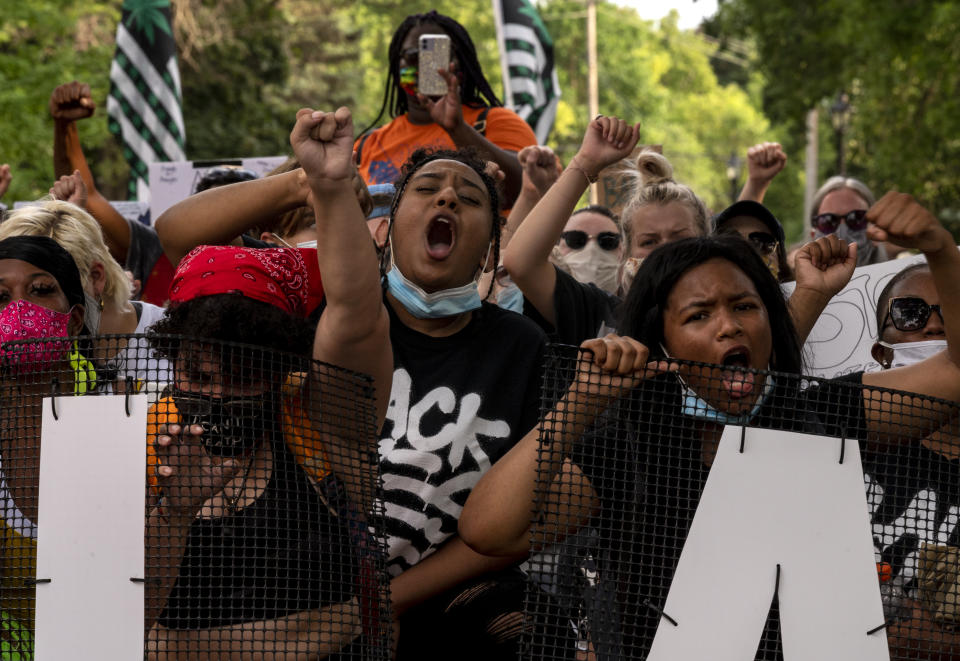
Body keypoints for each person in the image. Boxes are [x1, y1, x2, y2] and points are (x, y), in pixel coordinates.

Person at [460, 191, 960, 658]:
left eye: (745, 306)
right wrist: (580, 402)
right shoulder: (626, 450)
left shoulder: (828, 416)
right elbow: (488, 531)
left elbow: (954, 372)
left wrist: (939, 249)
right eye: (699, 315)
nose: (730, 325)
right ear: (663, 342)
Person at [144, 107, 393, 658]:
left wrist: (327, 187)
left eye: (245, 374)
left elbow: (355, 313)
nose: (217, 396)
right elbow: (117, 610)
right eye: (199, 374)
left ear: (284, 364)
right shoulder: (138, 437)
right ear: (172, 358)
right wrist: (174, 512)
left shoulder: (322, 425)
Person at [367, 143, 548, 660]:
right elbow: (181, 234)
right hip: (316, 583)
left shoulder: (522, 345)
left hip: (445, 593)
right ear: (390, 224)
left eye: (469, 199)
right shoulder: (344, 317)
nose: (446, 197)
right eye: (425, 189)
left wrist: (385, 602)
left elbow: (514, 526)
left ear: (490, 248)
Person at [504, 115, 854, 349]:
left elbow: (776, 360)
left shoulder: (733, 318)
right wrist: (585, 163)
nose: (666, 253)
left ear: (709, 243)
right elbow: (520, 261)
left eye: (681, 239)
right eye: (649, 242)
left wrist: (813, 293)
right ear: (626, 254)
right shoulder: (598, 312)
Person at [0, 235, 94, 658]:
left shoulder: (126, 407)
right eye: (0, 298)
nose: (19, 309)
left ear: (73, 320)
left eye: (39, 290)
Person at [865, 261, 960, 657]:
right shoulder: (844, 450)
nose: (934, 326)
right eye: (909, 313)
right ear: (881, 354)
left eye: (952, 311)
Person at [356, 11, 536, 205]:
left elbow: (531, 187)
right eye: (412, 55)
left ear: (460, 62)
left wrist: (458, 129)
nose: (425, 65)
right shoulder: (367, 144)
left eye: (435, 55)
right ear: (396, 65)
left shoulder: (494, 121)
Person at [0, 197, 167, 389]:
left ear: (96, 277)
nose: (21, 311)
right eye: (3, 295)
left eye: (41, 289)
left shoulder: (174, 341)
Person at [810, 175, 891, 266]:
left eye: (856, 218)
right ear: (813, 235)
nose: (842, 231)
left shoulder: (904, 278)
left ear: (876, 229)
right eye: (828, 221)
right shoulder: (797, 279)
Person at [713, 200, 793, 282]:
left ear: (780, 261)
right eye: (731, 241)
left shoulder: (800, 292)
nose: (748, 252)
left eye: (762, 242)